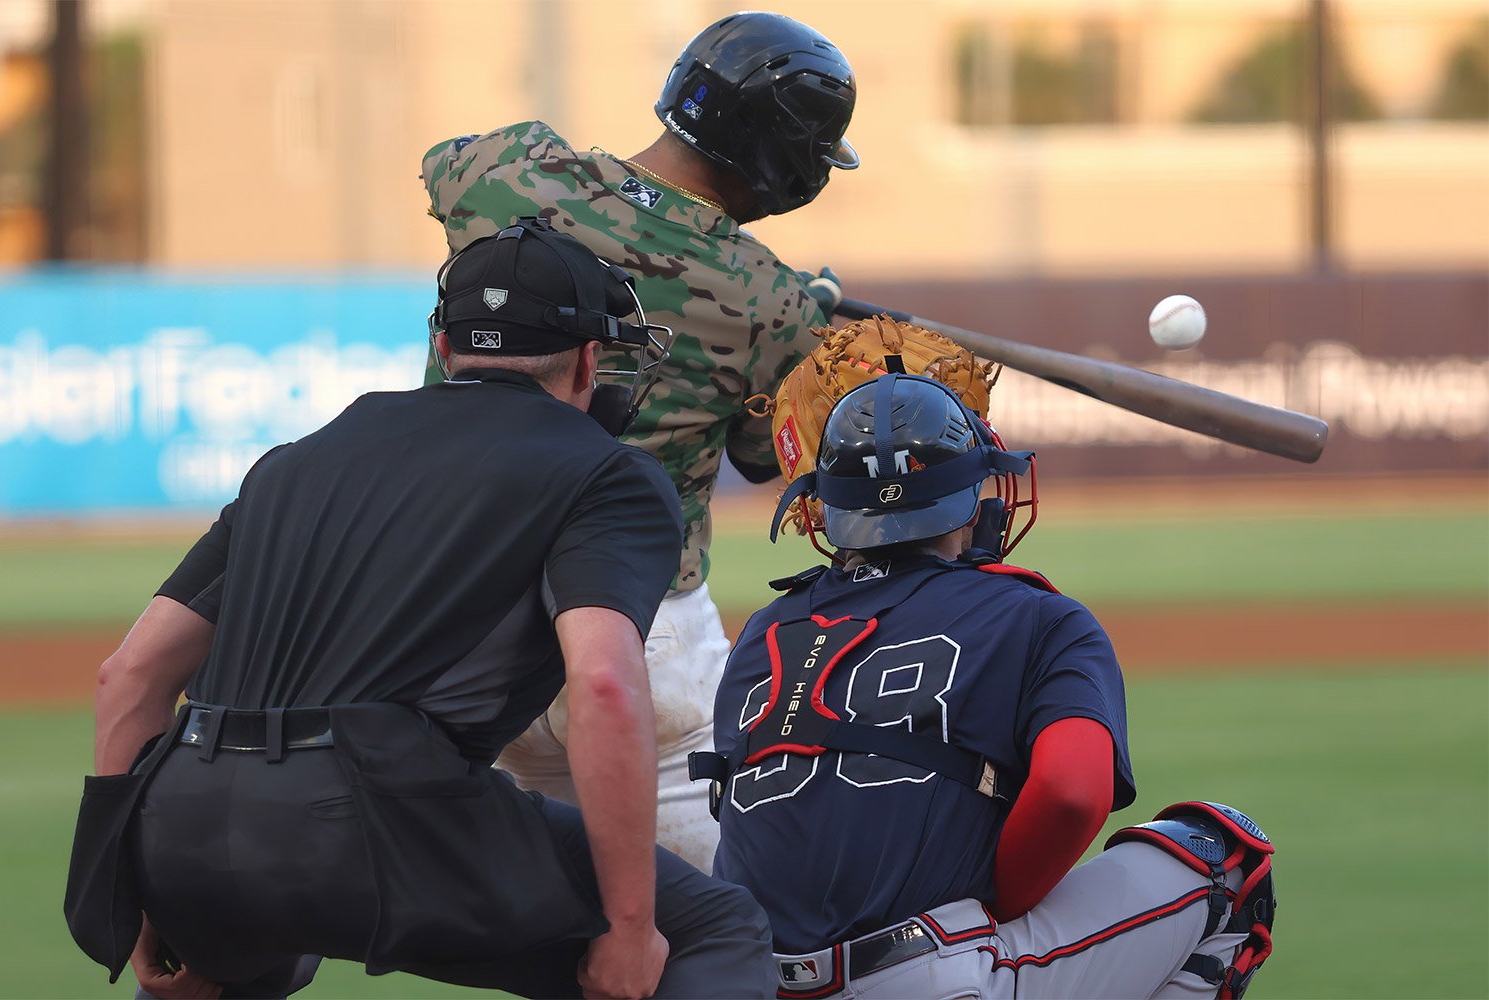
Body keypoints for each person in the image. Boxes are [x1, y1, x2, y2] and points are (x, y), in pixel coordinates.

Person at [66, 218, 776, 1000]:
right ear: (587, 360)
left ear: (445, 351)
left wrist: (134, 890)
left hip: (184, 816)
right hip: (378, 823)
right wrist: (631, 929)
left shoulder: (292, 461)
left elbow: (128, 676)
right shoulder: (606, 474)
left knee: (222, 961)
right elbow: (604, 684)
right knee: (710, 932)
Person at [419, 10, 860, 868]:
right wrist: (807, 317)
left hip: (449, 625)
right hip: (639, 637)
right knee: (733, 933)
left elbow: (444, 169)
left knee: (547, 944)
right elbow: (764, 457)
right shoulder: (768, 301)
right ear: (786, 154)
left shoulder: (512, 169)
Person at [689, 372, 1278, 1000]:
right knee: (1224, 861)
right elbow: (1073, 792)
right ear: (978, 493)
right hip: (930, 978)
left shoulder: (763, 631)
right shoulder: (1037, 615)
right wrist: (1000, 908)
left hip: (753, 981)